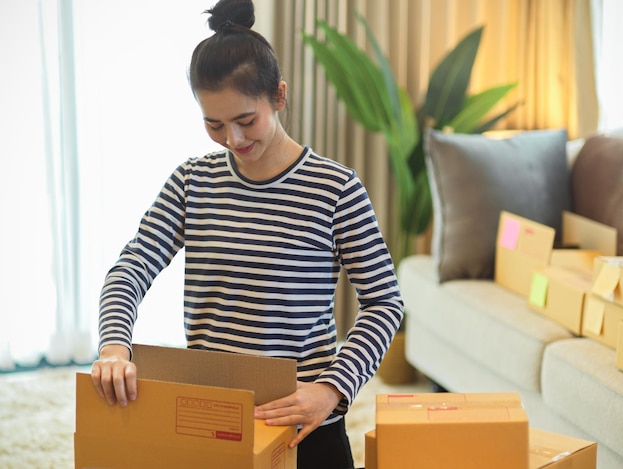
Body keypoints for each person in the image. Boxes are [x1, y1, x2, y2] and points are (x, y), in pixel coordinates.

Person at [90, 0, 403, 467]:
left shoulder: (336, 189)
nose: (233, 140)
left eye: (245, 121)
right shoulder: (192, 182)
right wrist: (114, 345)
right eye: (214, 124)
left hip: (304, 425)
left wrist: (332, 388)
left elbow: (384, 303)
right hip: (212, 419)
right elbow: (130, 269)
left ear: (278, 96)